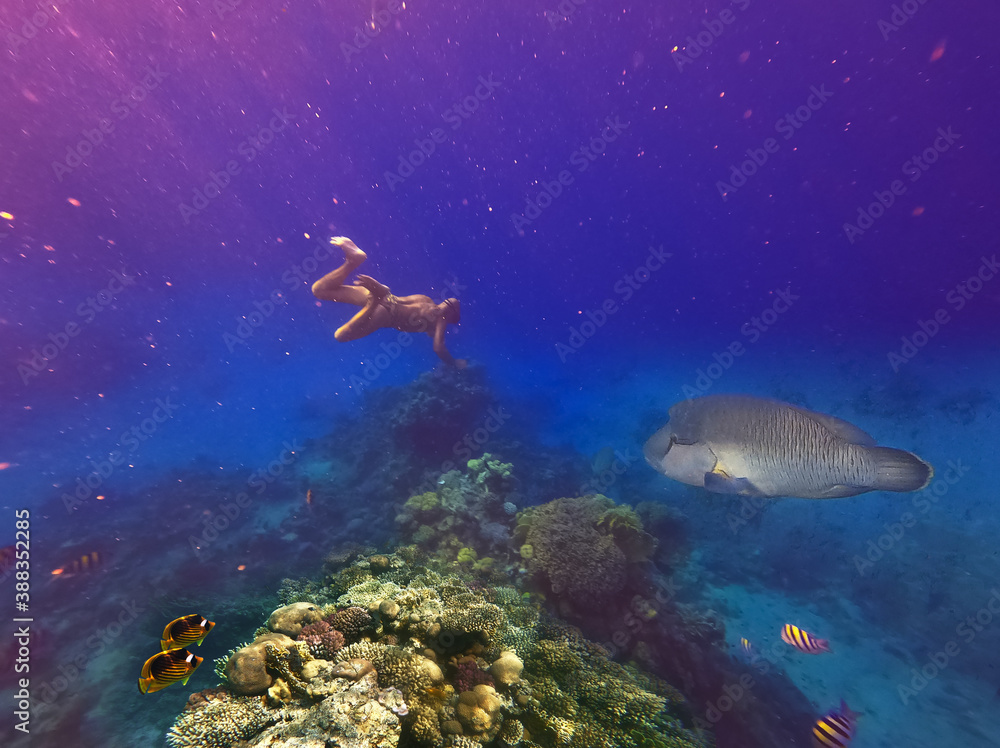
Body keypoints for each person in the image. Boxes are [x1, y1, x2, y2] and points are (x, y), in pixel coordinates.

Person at [311, 236, 466, 368]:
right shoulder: (441, 320)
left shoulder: (426, 300)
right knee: (340, 336)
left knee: (319, 290)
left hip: (388, 297)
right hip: (386, 313)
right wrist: (454, 363)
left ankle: (353, 261)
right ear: (450, 315)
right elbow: (438, 348)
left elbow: (423, 321)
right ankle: (374, 301)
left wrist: (430, 331)